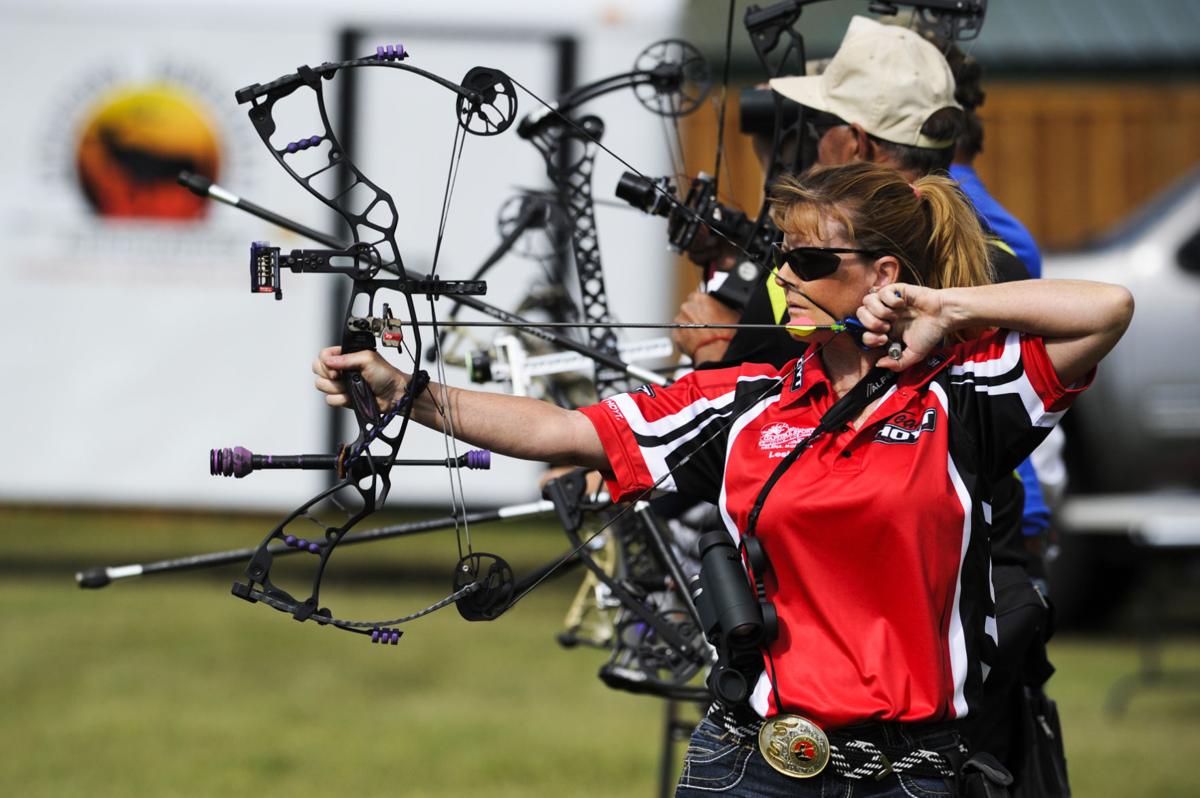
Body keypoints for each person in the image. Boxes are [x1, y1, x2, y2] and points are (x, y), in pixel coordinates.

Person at [314, 161, 1133, 796]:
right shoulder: (742, 405)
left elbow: (1108, 307)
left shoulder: (966, 394)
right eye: (781, 258)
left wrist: (949, 311)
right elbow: (566, 429)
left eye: (811, 260)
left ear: (884, 276)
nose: (785, 277)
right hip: (757, 762)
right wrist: (405, 393)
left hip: (915, 773)